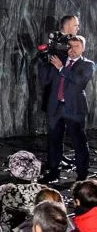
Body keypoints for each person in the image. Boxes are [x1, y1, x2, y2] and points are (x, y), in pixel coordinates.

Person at [38, 35, 94, 182]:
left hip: (74, 109)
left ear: (83, 48)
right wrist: (44, 60)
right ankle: (53, 172)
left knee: (78, 141)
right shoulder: (59, 61)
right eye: (70, 46)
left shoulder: (88, 65)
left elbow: (79, 81)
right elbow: (45, 80)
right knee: (54, 140)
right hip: (56, 107)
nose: (72, 50)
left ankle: (82, 175)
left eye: (76, 46)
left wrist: (61, 68)